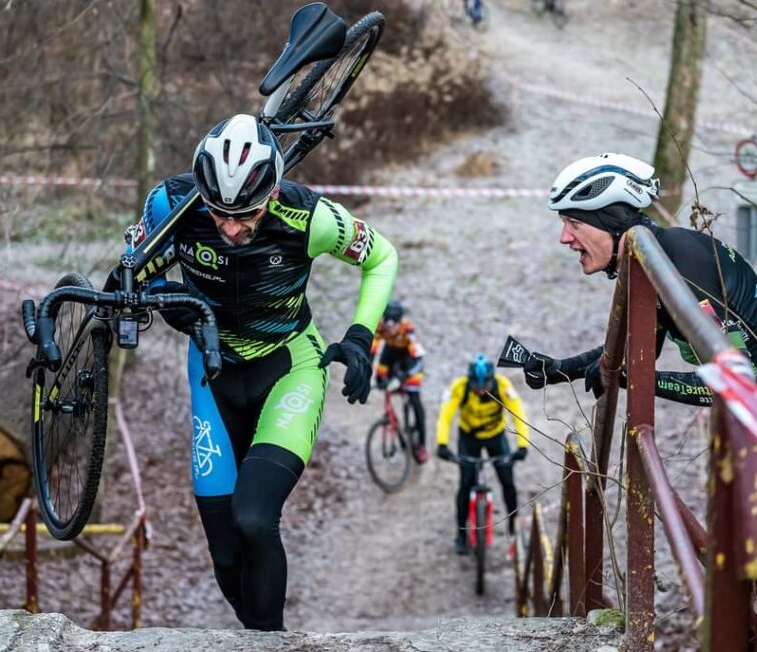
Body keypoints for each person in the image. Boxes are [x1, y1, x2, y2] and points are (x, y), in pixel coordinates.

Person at [134, 114, 398, 630]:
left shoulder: (311, 218)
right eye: (218, 213)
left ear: (272, 193)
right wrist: (169, 300)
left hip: (288, 367)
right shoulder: (171, 204)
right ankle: (257, 635)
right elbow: (129, 275)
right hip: (213, 373)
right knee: (227, 557)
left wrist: (361, 338)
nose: (231, 228)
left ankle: (272, 642)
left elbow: (381, 257)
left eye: (245, 215)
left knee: (254, 517)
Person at [522, 152, 757, 406]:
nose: (564, 238)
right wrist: (561, 369)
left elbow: (738, 384)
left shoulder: (682, 273)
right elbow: (636, 349)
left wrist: (638, 380)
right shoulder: (654, 258)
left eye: (574, 223)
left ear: (611, 224)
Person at [436, 354, 529, 555]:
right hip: (468, 437)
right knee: (465, 484)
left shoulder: (503, 385)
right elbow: (445, 416)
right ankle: (461, 534)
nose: (480, 391)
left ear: (491, 380)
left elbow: (518, 413)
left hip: (495, 436)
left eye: (484, 386)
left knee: (508, 483)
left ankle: (513, 528)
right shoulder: (459, 387)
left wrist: (522, 446)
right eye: (475, 386)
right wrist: (442, 444)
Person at [371, 299, 428, 463]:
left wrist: (403, 377)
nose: (390, 328)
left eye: (393, 324)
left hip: (408, 359)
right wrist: (367, 372)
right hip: (390, 354)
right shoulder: (380, 326)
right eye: (387, 324)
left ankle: (422, 444)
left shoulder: (408, 329)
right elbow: (373, 350)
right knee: (381, 374)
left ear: (399, 322)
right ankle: (392, 420)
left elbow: (419, 360)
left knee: (415, 401)